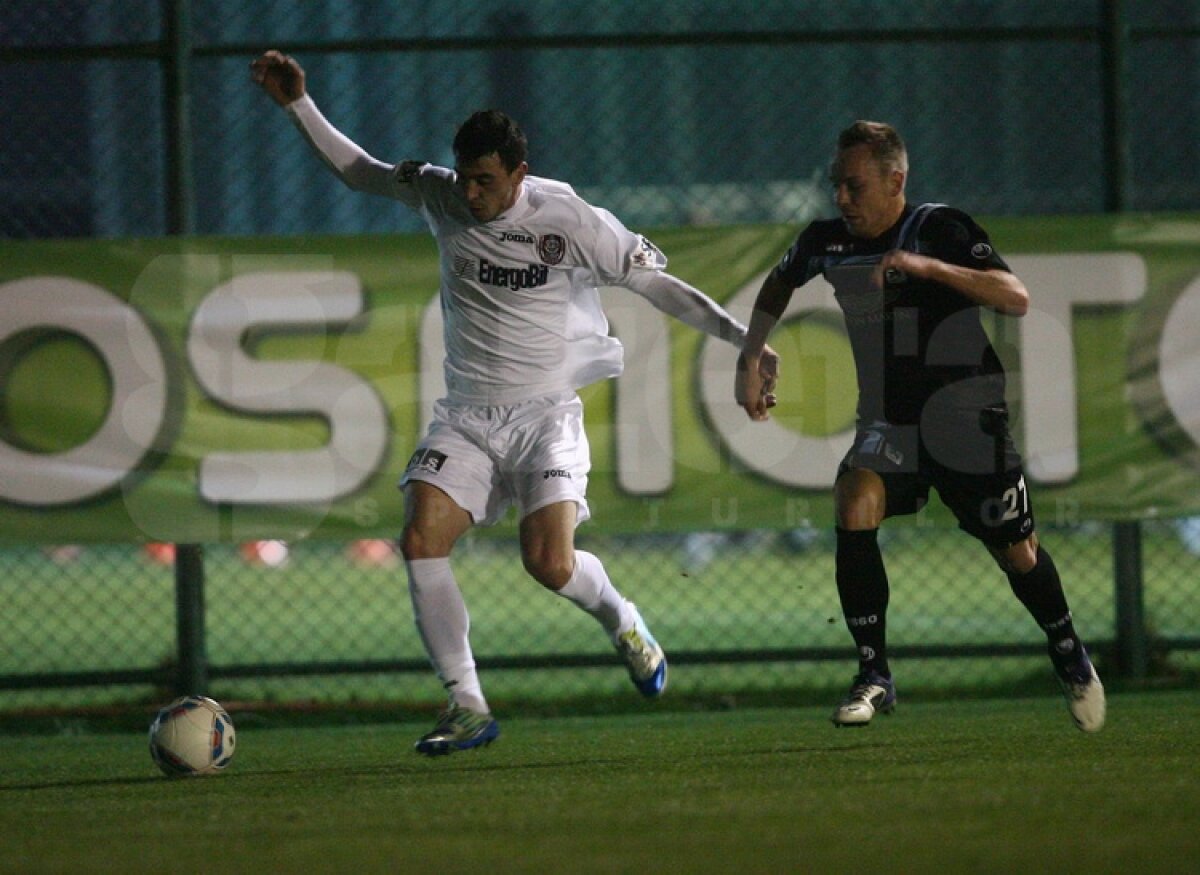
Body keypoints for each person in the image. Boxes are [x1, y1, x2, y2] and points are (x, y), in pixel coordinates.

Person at [251, 50, 777, 755]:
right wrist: (297, 106)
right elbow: (361, 171)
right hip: (467, 414)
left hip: (546, 417)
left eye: (486, 181)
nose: (470, 194)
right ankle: (467, 703)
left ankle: (621, 616)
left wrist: (747, 339)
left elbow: (661, 287)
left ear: (519, 175)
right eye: (465, 177)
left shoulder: (571, 218)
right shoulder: (439, 192)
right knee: (420, 537)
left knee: (549, 564)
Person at [735, 120, 1105, 733]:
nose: (842, 199)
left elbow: (1014, 296)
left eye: (854, 186)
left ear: (895, 180)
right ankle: (874, 674)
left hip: (967, 420)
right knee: (855, 499)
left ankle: (1068, 651)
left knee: (1017, 554)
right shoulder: (827, 240)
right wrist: (753, 354)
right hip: (890, 422)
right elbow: (780, 280)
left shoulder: (939, 228)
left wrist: (928, 268)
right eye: (836, 185)